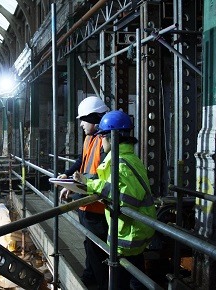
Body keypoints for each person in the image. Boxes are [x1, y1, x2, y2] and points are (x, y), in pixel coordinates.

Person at [73, 110, 157, 290]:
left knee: (121, 280)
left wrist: (88, 183)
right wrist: (88, 182)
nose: (100, 142)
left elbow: (120, 196)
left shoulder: (121, 163)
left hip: (129, 233)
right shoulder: (126, 158)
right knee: (135, 275)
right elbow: (114, 186)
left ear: (111, 137)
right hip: (134, 230)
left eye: (102, 137)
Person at [59, 96, 109, 289]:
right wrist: (67, 174)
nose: (81, 124)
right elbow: (82, 160)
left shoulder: (106, 142)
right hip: (86, 202)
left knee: (97, 249)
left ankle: (99, 284)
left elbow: (101, 177)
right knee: (90, 244)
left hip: (96, 205)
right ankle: (89, 277)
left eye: (84, 119)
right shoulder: (90, 139)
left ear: (95, 119)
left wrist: (73, 185)